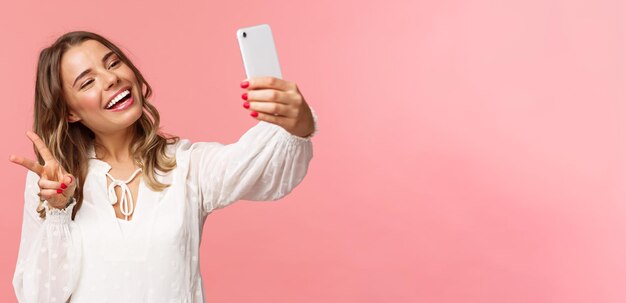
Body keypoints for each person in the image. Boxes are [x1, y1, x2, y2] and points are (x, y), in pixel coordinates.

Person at [9, 31, 317, 302]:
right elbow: (38, 297)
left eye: (113, 63)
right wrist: (58, 211)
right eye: (88, 82)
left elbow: (265, 168)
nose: (111, 78)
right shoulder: (51, 184)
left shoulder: (186, 165)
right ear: (70, 112)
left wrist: (298, 120)